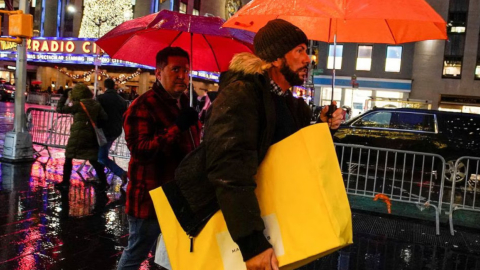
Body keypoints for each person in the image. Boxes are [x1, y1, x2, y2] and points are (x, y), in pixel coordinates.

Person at [172, 19, 344, 270]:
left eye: (307, 51)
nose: (308, 59)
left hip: (272, 220)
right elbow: (229, 170)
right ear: (276, 58)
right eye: (299, 50)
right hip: (236, 226)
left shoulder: (290, 104)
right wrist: (252, 244)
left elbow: (286, 151)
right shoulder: (241, 94)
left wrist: (321, 124)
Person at [117, 47, 200, 270]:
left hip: (179, 197)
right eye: (175, 69)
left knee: (171, 254)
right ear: (159, 72)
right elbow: (141, 150)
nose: (182, 75)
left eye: (186, 70)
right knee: (136, 253)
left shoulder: (182, 104)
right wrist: (178, 127)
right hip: (150, 198)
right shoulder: (143, 106)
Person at [54, 84, 109, 192]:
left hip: (78, 135)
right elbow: (104, 117)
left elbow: (60, 109)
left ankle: (65, 182)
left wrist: (64, 96)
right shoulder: (96, 104)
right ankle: (104, 181)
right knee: (93, 159)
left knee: (69, 157)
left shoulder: (77, 104)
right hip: (92, 135)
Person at [97, 78, 129, 187]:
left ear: (105, 86)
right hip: (116, 130)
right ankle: (99, 176)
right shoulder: (121, 100)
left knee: (101, 156)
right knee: (102, 153)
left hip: (104, 130)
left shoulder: (101, 98)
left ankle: (120, 173)